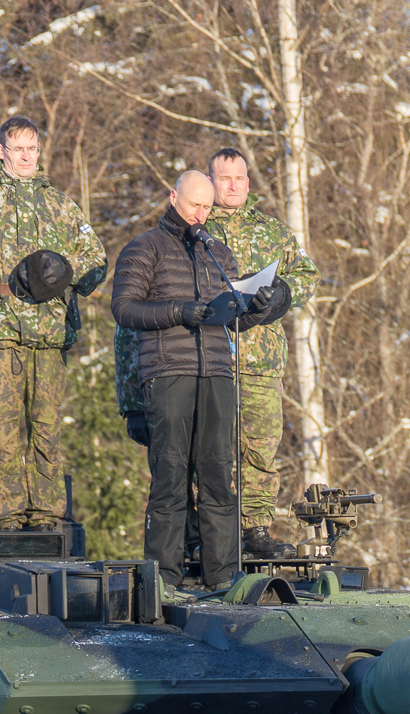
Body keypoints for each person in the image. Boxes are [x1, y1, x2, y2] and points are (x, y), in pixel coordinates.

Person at [0, 116, 109, 531]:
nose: (26, 156)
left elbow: (95, 258)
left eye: (32, 148)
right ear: (1, 152)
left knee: (47, 428)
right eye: (18, 148)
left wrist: (66, 273)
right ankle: (6, 514)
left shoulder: (59, 204)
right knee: (3, 428)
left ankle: (49, 513)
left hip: (48, 331)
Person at [112, 171, 263, 594]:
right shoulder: (145, 247)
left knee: (218, 476)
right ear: (173, 196)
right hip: (167, 371)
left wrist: (260, 306)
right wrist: (178, 310)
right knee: (171, 477)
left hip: (216, 372)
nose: (201, 215)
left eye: (208, 208)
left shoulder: (218, 252)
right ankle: (163, 580)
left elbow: (235, 315)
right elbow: (124, 309)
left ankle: (224, 578)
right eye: (194, 205)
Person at [198, 147, 318, 558]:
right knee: (210, 447)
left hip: (261, 360)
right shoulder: (195, 228)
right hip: (208, 356)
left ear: (249, 182)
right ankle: (206, 533)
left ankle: (257, 529)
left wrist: (283, 294)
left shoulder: (273, 231)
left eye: (240, 179)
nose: (233, 186)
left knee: (261, 447)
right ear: (211, 181)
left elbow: (306, 274)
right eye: (224, 178)